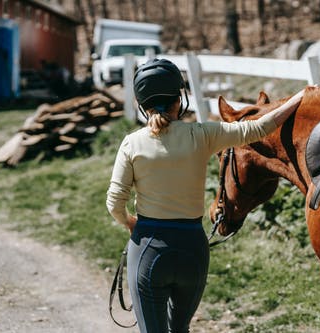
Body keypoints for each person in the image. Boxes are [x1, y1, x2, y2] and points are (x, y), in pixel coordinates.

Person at [106, 58, 304, 333]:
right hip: (192, 250)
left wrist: (130, 223)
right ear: (180, 98)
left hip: (149, 249)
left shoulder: (132, 143)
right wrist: (301, 97)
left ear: (143, 104)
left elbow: (114, 202)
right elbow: (258, 128)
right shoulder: (202, 135)